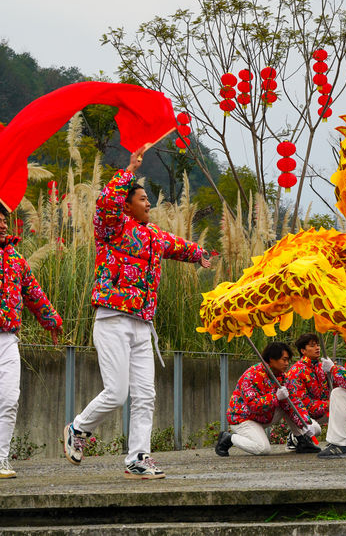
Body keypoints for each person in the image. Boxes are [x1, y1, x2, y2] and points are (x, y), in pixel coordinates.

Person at [63, 147, 216, 479]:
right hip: (112, 318)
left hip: (142, 325)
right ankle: (78, 428)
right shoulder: (111, 227)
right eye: (143, 199)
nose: (149, 204)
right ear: (127, 203)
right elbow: (105, 202)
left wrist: (200, 253)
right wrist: (129, 170)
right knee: (117, 392)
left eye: (148, 199)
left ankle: (138, 458)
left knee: (146, 395)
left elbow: (178, 245)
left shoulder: (153, 236)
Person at [0, 205, 63, 479]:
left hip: (8, 339)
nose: (3, 225)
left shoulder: (16, 261)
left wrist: (53, 322)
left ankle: (1, 459)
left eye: (4, 221)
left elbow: (34, 293)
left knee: (10, 399)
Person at [216, 341, 319, 456]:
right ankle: (229, 438)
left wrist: (305, 422)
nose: (286, 363)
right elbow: (253, 406)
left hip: (264, 416)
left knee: (314, 427)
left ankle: (301, 440)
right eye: (284, 360)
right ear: (271, 359)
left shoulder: (283, 377)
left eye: (288, 360)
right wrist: (275, 397)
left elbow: (294, 402)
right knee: (262, 449)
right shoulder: (251, 376)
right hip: (243, 418)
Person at [285, 333, 330, 450]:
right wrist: (328, 404)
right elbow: (303, 403)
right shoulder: (296, 371)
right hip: (305, 413)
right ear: (303, 351)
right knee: (317, 430)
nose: (317, 348)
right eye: (312, 346)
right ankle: (295, 437)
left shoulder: (321, 367)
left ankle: (338, 440)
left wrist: (333, 372)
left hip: (322, 409)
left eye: (318, 345)